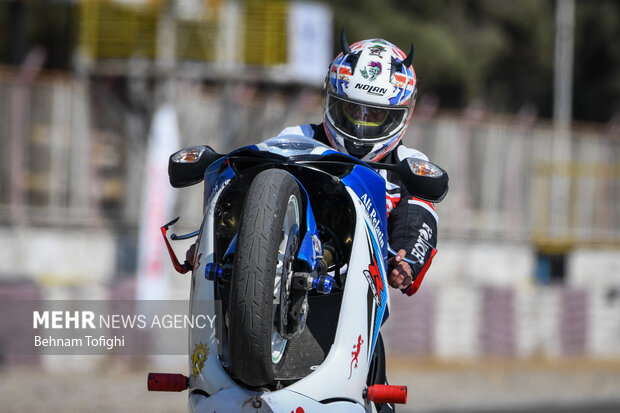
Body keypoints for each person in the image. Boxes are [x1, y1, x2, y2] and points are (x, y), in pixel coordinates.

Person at [279, 32, 438, 296]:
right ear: (331, 99)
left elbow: (418, 215)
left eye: (375, 114)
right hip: (271, 282)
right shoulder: (294, 139)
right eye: (352, 109)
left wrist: (405, 259)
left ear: (402, 113)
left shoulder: (410, 163)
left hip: (354, 295)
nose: (360, 124)